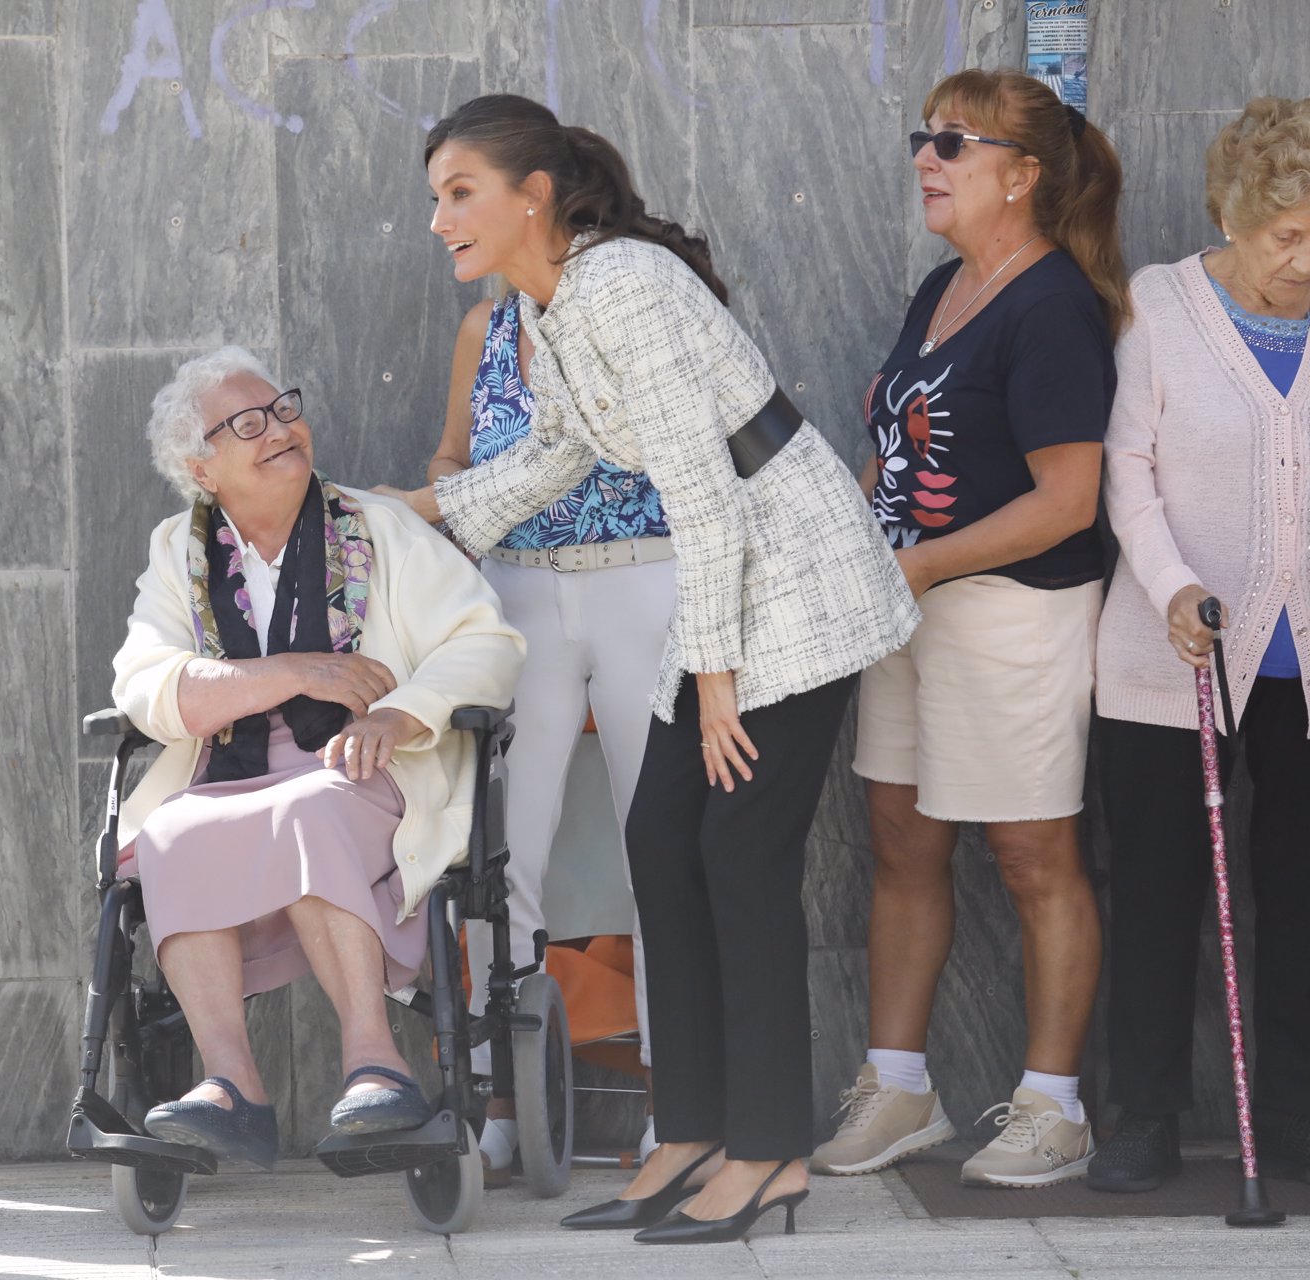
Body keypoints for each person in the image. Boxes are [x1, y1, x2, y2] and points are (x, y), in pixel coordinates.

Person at [384, 93, 918, 1244]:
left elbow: (703, 487)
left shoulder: (622, 283)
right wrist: (406, 513)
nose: (439, 219)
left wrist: (715, 679)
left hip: (796, 587)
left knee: (737, 857)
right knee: (658, 843)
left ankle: (768, 1152)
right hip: (737, 597)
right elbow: (552, 456)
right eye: (435, 197)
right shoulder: (550, 301)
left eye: (458, 192)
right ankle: (691, 1132)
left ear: (534, 195)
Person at [812, 68, 1128, 1189]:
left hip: (1009, 612)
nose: (927, 159)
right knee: (901, 841)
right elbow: (894, 447)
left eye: (955, 142)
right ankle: (900, 1085)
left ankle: (1054, 1106)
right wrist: (850, 549)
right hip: (909, 601)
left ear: (1025, 175)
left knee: (1035, 853)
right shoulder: (942, 286)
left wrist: (918, 563)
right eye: (924, 137)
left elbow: (1066, 500)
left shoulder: (1053, 307)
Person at [112, 347, 522, 1167]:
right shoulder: (178, 551)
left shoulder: (379, 526)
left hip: (364, 766)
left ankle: (376, 1061)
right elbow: (147, 683)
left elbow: (487, 641)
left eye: (284, 409)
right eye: (248, 424)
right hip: (224, 771)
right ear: (203, 466)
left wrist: (403, 715)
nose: (280, 430)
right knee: (168, 835)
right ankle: (232, 1086)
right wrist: (296, 673)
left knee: (310, 806)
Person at [1087, 96, 1310, 1194]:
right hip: (1172, 649)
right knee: (1163, 881)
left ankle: (1296, 1120)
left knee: (1304, 892)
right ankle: (1144, 1113)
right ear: (1237, 213)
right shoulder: (1162, 305)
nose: (1306, 260)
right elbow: (1127, 469)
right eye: (1290, 235)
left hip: (1302, 665)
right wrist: (1173, 586)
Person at [425, 278, 670, 1182]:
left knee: (660, 847)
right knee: (500, 853)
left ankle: (672, 1103)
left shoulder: (632, 307)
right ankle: (498, 1099)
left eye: (461, 193)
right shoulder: (483, 329)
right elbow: (454, 458)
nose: (445, 218)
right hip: (518, 587)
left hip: (644, 575)